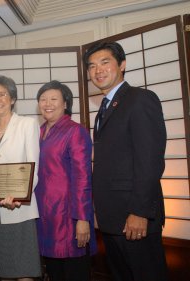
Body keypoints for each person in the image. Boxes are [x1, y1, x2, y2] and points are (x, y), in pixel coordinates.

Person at [84, 41, 168, 281]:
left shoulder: (140, 99)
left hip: (134, 218)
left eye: (104, 62)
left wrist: (139, 212)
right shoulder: (105, 107)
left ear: (122, 65)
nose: (97, 70)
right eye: (92, 66)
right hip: (112, 219)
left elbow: (150, 160)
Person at [35, 80, 97, 281]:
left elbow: (83, 177)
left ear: (65, 104)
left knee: (74, 272)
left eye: (54, 99)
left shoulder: (75, 131)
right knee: (54, 272)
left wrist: (82, 219)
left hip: (69, 218)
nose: (47, 103)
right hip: (46, 217)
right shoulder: (40, 132)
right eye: (43, 99)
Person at [0, 76, 42, 281]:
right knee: (3, 268)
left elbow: (33, 166)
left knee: (23, 268)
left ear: (12, 99)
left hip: (18, 207)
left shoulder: (27, 124)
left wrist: (19, 196)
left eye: (2, 94)